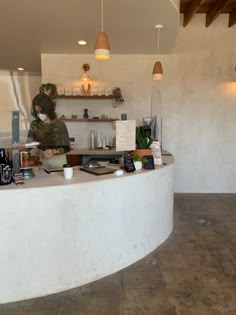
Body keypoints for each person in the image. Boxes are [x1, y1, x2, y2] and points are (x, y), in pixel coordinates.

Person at [27, 93, 70, 170]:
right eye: (37, 112)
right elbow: (29, 146)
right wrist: (37, 152)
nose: (40, 115)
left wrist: (54, 151)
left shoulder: (60, 124)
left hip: (58, 163)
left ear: (48, 109)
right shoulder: (34, 124)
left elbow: (66, 148)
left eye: (42, 112)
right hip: (40, 162)